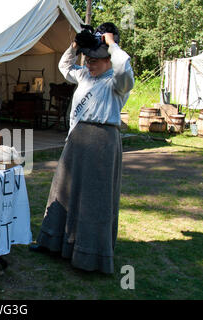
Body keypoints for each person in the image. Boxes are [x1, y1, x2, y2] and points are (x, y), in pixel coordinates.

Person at [29, 23, 134, 274]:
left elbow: (125, 68)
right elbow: (64, 66)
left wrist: (112, 44)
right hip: (76, 139)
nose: (90, 63)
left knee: (94, 199)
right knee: (62, 192)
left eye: (96, 59)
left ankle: (90, 254)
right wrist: (75, 46)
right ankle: (52, 242)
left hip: (102, 143)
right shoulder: (84, 74)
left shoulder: (117, 83)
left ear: (109, 60)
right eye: (88, 58)